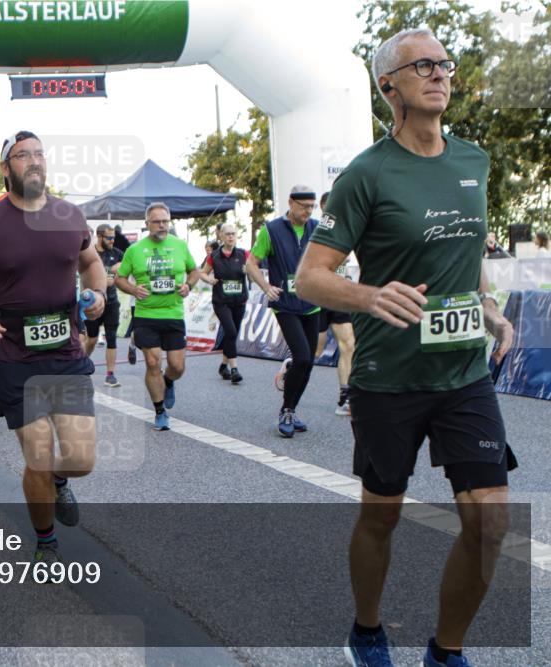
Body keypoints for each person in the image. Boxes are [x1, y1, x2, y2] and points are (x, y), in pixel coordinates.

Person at [295, 27, 516, 667]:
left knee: (489, 521)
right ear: (389, 86)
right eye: (424, 66)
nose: (440, 74)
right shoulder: (367, 175)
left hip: (463, 373)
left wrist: (492, 305)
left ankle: (445, 652)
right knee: (382, 515)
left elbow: (469, 248)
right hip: (389, 377)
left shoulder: (473, 161)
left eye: (445, 64)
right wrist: (369, 297)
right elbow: (310, 276)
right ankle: (366, 629)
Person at [0, 130, 106, 563]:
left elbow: (92, 263)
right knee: (37, 454)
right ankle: (46, 540)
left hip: (67, 354)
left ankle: (58, 480)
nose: (34, 161)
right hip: (14, 358)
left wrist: (100, 295)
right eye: (22, 156)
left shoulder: (70, 215)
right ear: (5, 169)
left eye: (39, 154)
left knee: (80, 459)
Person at [244, 185, 321, 438]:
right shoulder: (272, 230)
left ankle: (293, 408)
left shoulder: (317, 228)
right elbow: (251, 264)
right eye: (303, 207)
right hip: (285, 304)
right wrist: (266, 287)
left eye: (311, 207)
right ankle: (286, 410)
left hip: (311, 303)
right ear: (290, 203)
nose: (307, 212)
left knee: (308, 362)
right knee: (301, 356)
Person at [115, 202, 199, 431]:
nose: (162, 226)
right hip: (146, 314)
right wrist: (133, 290)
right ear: (147, 224)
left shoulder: (180, 246)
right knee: (153, 362)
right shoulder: (134, 250)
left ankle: (168, 381)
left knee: (177, 366)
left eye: (165, 221)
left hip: (173, 314)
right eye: (157, 222)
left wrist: (188, 286)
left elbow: (195, 270)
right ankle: (160, 411)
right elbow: (119, 278)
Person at [313, 191, 357, 416]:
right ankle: (293, 365)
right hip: (318, 297)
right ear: (322, 207)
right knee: (316, 351)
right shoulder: (315, 229)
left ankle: (345, 397)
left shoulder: (348, 227)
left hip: (339, 295)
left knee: (348, 344)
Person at [201, 222, 248, 383]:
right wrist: (209, 279)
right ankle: (234, 369)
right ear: (221, 236)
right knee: (231, 331)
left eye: (233, 234)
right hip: (221, 300)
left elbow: (255, 271)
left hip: (239, 300)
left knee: (231, 334)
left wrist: (248, 270)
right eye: (227, 234)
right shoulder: (213, 256)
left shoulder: (243, 254)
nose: (230, 237)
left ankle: (223, 366)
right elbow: (203, 273)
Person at [82, 224, 126, 387]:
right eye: (109, 237)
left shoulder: (117, 254)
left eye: (114, 237)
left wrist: (117, 275)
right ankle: (82, 367)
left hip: (112, 302)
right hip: (93, 303)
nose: (112, 240)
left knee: (112, 338)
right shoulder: (90, 253)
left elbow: (126, 269)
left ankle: (110, 374)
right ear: (99, 237)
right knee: (91, 339)